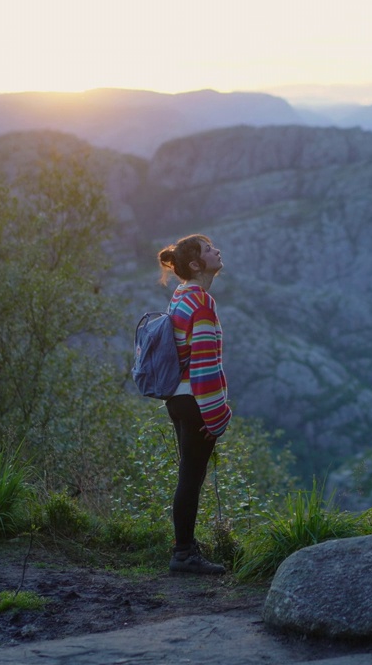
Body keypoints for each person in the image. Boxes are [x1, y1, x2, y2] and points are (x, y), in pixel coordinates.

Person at [156, 234, 231, 575]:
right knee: (190, 478)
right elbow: (203, 366)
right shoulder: (201, 303)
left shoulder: (182, 295)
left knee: (188, 475)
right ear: (197, 265)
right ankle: (184, 554)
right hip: (194, 400)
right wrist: (218, 415)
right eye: (208, 249)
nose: (216, 250)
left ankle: (184, 549)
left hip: (178, 398)